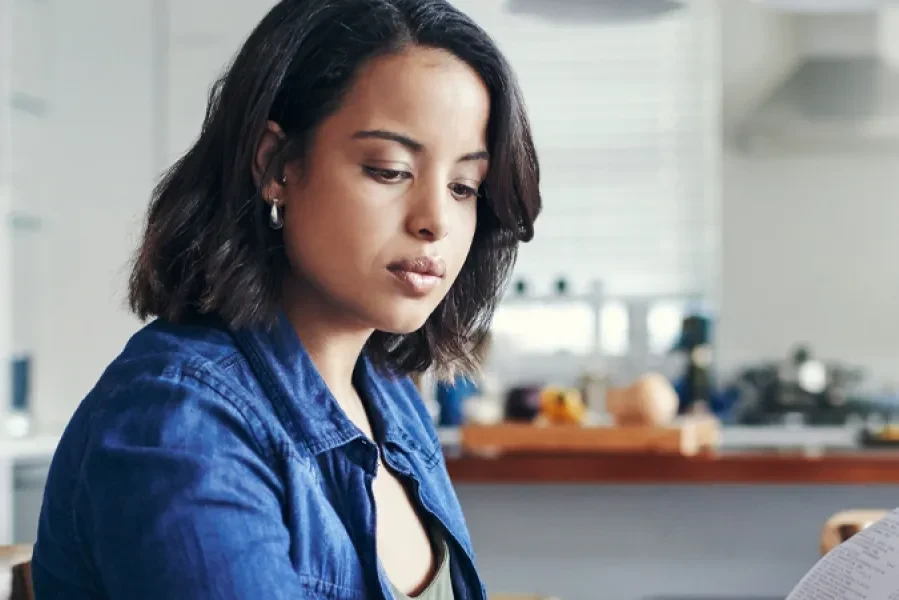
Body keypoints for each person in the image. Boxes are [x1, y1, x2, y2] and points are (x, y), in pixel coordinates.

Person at [31, 0, 541, 598]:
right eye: (388, 169)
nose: (436, 221)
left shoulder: (388, 396)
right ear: (276, 165)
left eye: (463, 187)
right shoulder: (181, 424)